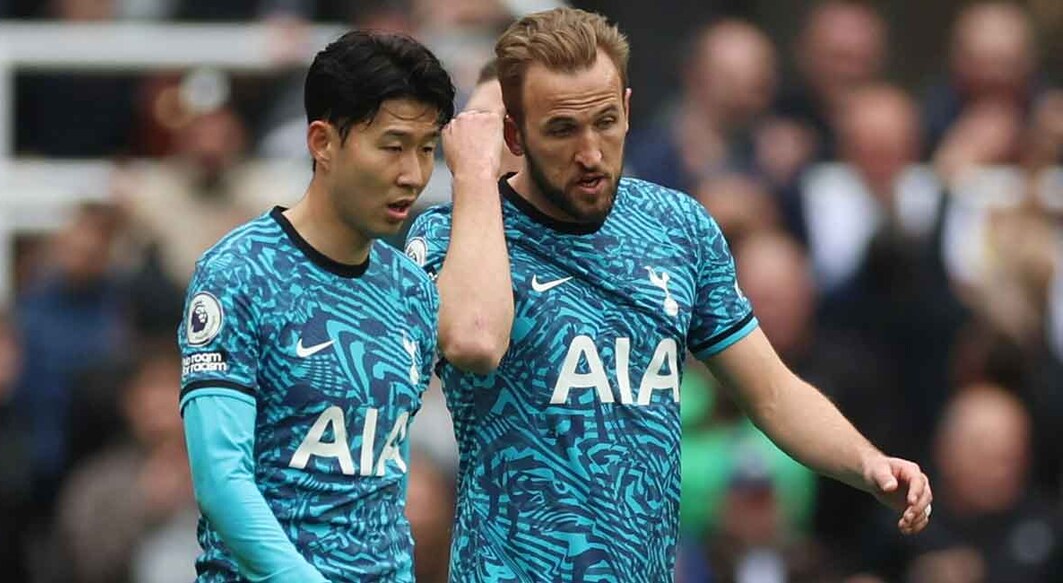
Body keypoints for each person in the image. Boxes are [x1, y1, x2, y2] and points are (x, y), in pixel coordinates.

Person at [407, 8, 932, 581]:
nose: (590, 151)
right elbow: (475, 341)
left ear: (628, 109)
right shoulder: (452, 235)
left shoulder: (678, 227)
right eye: (562, 129)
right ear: (515, 133)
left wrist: (868, 462)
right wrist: (474, 178)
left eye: (605, 121)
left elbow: (773, 393)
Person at [177, 30, 454, 581]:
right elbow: (222, 482)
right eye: (393, 146)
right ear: (323, 142)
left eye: (427, 149)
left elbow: (384, 483)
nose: (413, 174)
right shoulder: (238, 275)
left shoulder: (413, 290)